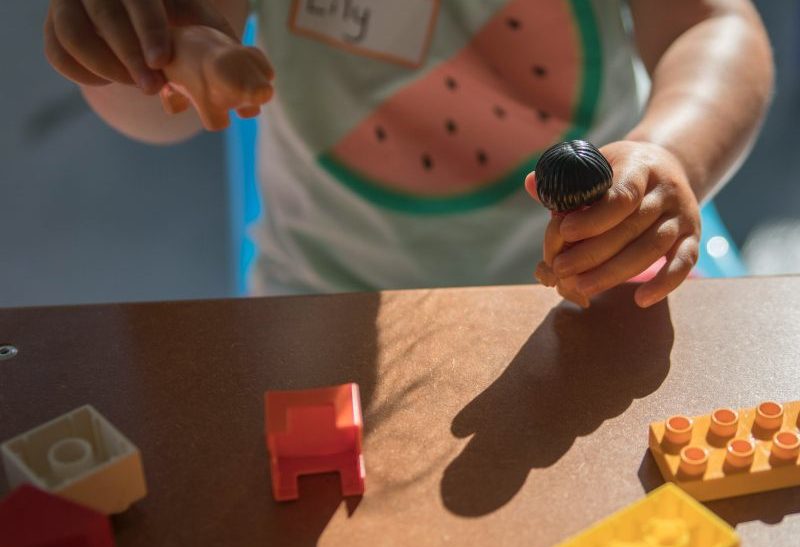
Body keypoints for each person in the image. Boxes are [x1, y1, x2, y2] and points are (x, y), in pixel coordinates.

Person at [44, 0, 774, 306]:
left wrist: (670, 152)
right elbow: (165, 90)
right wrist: (139, 55)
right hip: (327, 303)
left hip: (608, 283)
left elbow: (712, 24)